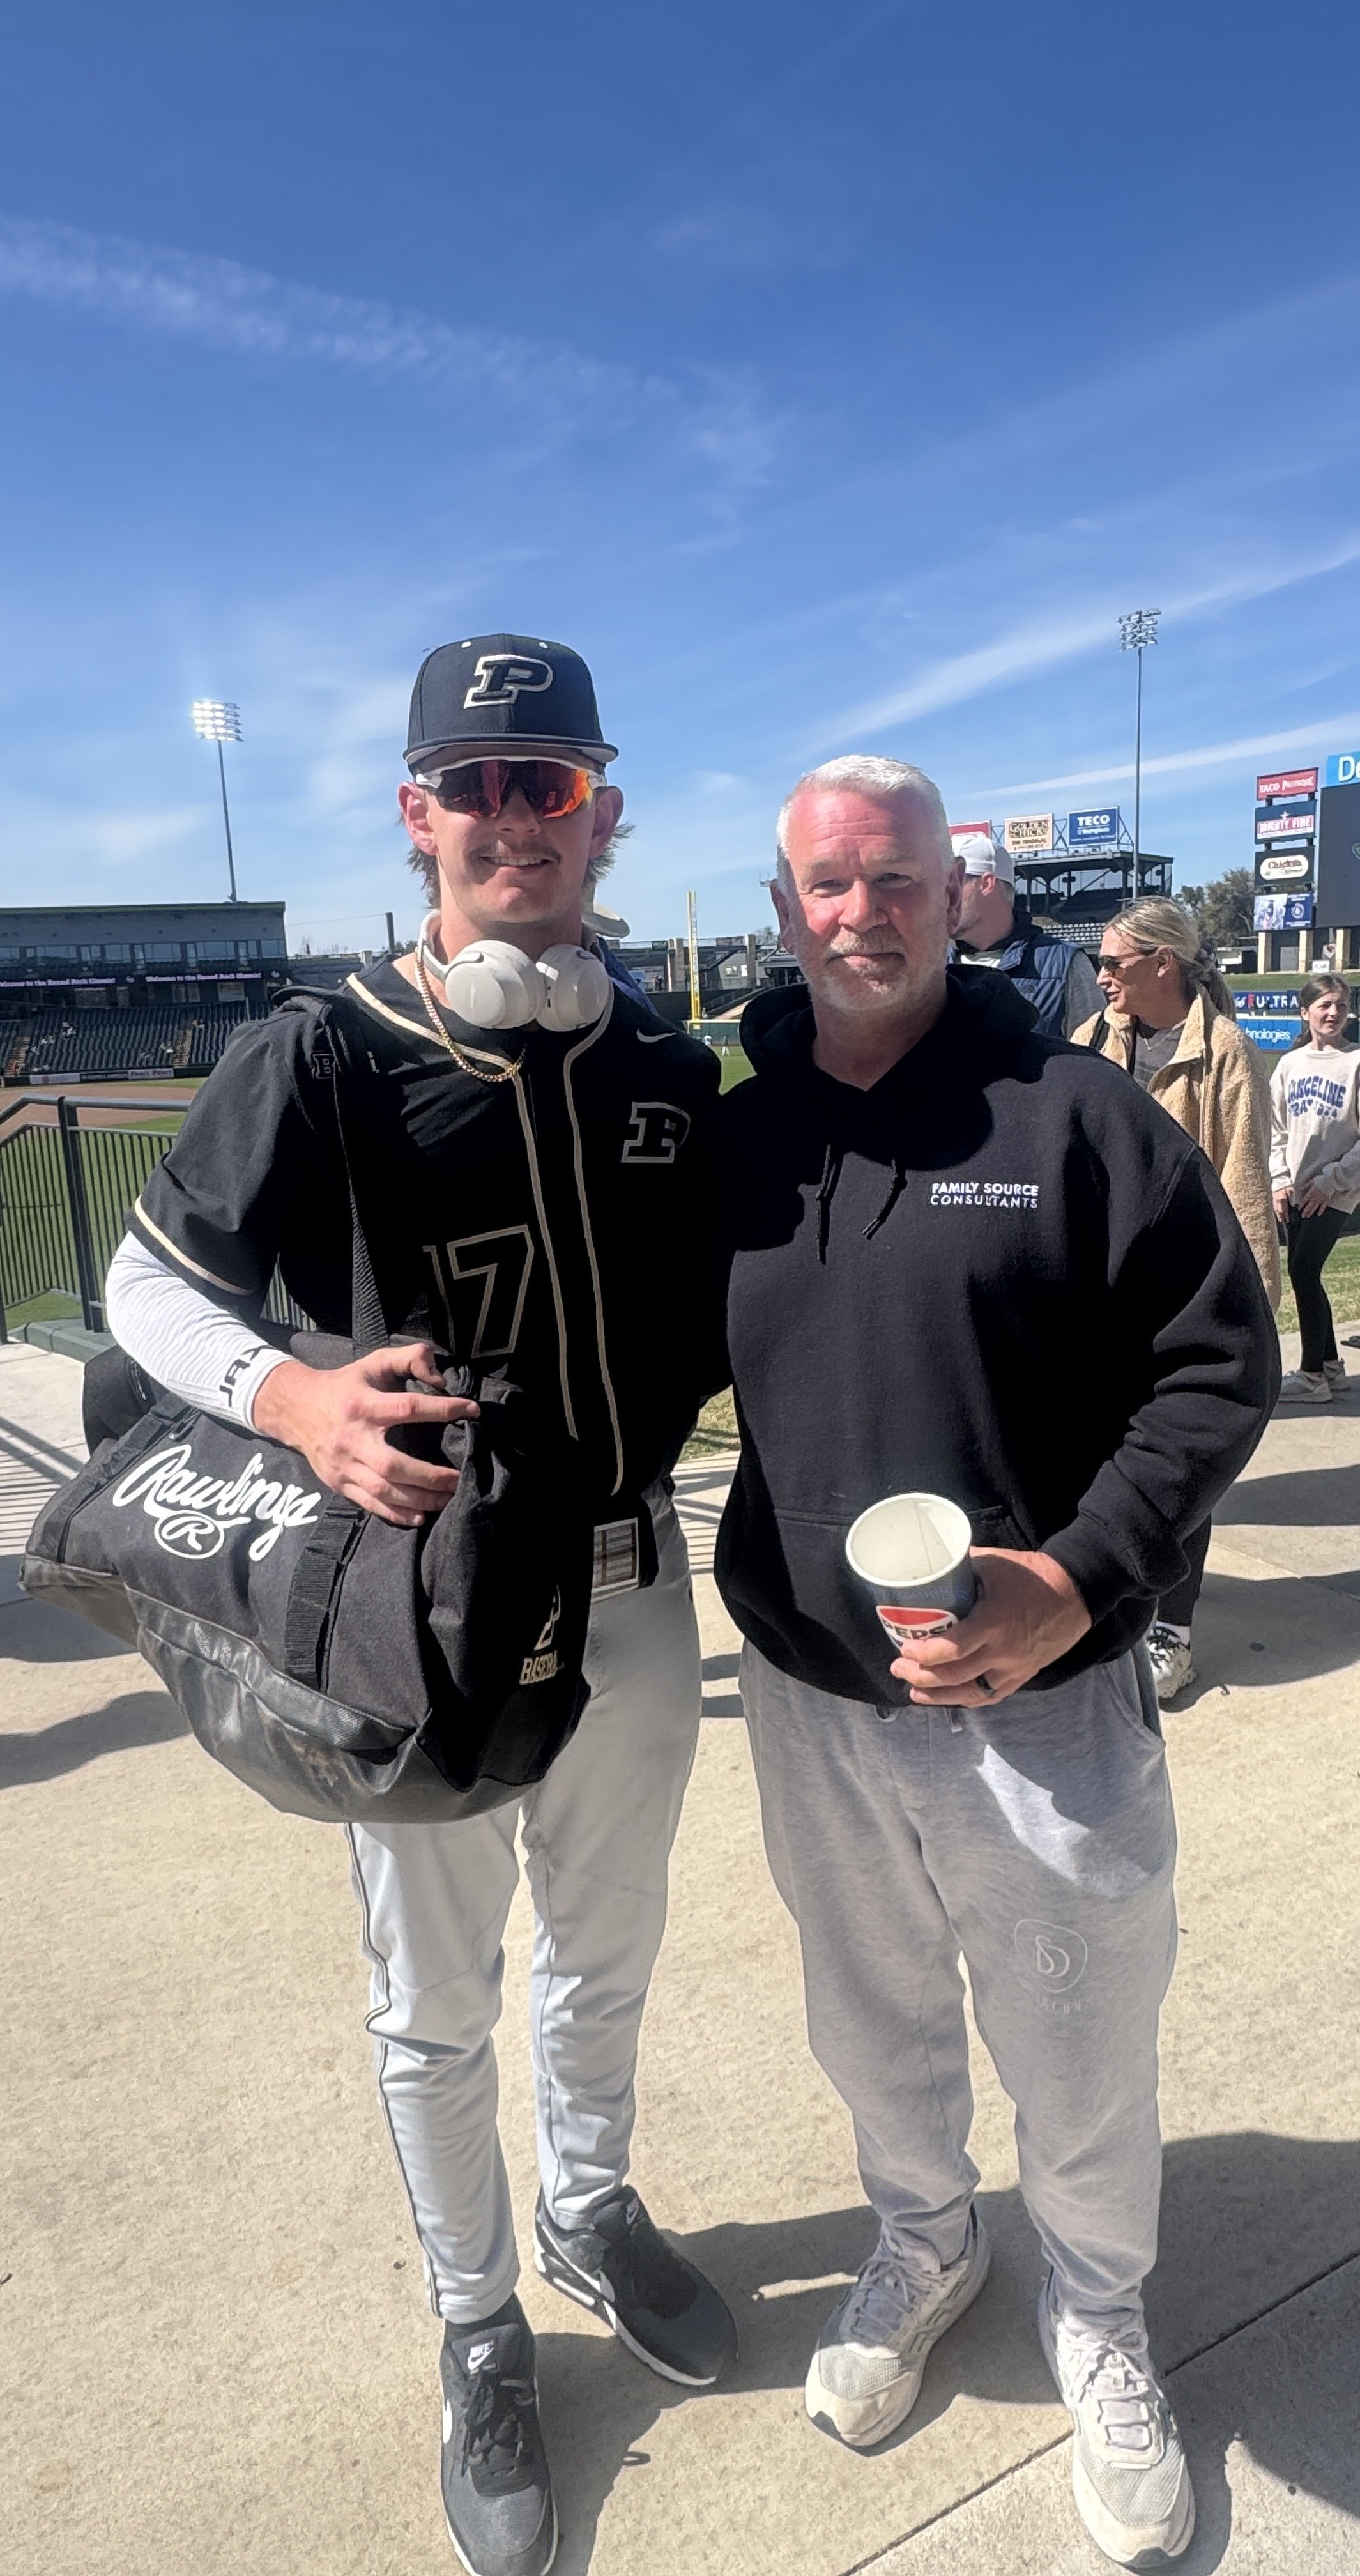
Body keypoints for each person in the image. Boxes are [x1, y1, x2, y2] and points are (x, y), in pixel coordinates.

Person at [103, 633, 735, 2576]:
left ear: (599, 807)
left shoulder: (666, 1062)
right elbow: (144, 1292)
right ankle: (478, 2325)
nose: (510, 814)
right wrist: (285, 1394)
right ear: (417, 816)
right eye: (474, 781)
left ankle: (591, 2205)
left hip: (633, 1584)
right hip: (431, 1610)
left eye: (548, 780)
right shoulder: (325, 1047)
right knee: (431, 2006)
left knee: (604, 1957)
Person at [717, 756, 1278, 2570]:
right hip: (810, 1691)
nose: (859, 912)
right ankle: (926, 2240)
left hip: (1040, 1699)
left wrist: (1074, 1569)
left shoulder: (1073, 1115)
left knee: (1079, 2039)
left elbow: (1217, 1366)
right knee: (867, 2020)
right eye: (826, 883)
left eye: (894, 879)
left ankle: (1098, 2309)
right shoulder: (745, 1131)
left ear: (954, 889)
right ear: (782, 900)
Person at [1073, 898, 1279, 1703]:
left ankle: (1174, 1631)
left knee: (1182, 1467)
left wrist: (1247, 1325)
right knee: (1105, 1464)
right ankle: (1115, 1600)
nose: (1102, 978)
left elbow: (1247, 1191)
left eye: (1115, 964)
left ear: (1165, 963)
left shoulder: (1225, 1052)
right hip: (1098, 1303)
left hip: (1182, 1300)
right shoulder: (1091, 1041)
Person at [1270, 975, 1360, 1404]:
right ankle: (1332, 1366)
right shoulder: (1290, 1064)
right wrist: (1279, 1180)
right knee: (1306, 1273)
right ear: (1306, 1012)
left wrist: (1332, 1181)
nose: (1333, 1013)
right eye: (1324, 1005)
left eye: (1340, 1005)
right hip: (1298, 1188)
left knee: (1303, 1271)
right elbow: (1276, 1128)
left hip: (1335, 1189)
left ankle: (1311, 1375)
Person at [951, 826, 1100, 1038]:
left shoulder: (1065, 964)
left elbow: (1096, 1056)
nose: (942, 896)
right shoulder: (932, 965)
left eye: (953, 883)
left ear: (986, 884)